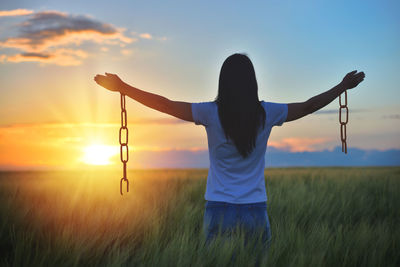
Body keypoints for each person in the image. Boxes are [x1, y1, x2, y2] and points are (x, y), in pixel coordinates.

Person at [94, 53, 365, 247]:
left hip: (217, 210)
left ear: (223, 82)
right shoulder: (267, 113)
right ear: (252, 82)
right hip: (255, 211)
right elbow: (307, 106)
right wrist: (342, 86)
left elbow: (165, 104)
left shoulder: (209, 112)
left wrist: (123, 88)